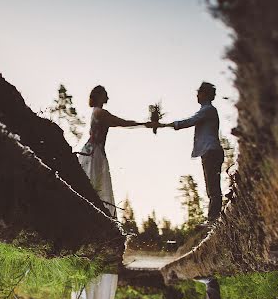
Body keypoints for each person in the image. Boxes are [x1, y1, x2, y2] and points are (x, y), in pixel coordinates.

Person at [152, 82, 224, 223]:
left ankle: (213, 219)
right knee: (211, 186)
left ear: (205, 94)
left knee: (213, 187)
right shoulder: (207, 110)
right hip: (209, 151)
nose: (197, 95)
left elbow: (190, 121)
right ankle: (213, 218)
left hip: (211, 151)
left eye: (199, 93)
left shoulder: (208, 110)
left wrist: (164, 125)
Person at [79, 85, 150, 217]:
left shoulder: (97, 112)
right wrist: (143, 124)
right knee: (95, 185)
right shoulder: (100, 112)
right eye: (105, 94)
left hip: (95, 152)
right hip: (93, 153)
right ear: (99, 96)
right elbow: (121, 122)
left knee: (96, 185)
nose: (108, 97)